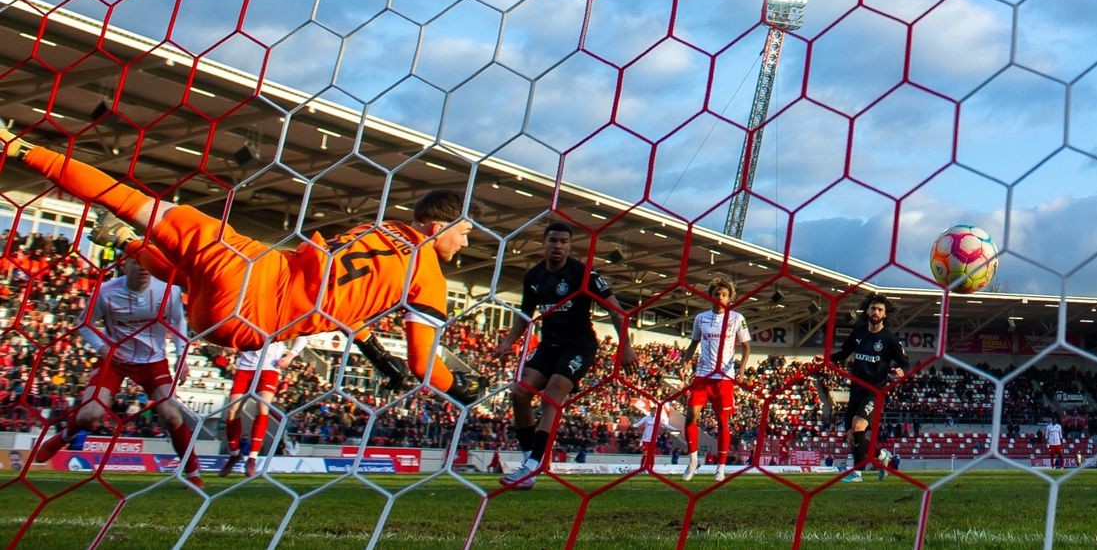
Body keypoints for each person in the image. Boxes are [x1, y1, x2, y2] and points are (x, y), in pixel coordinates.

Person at [0, 124, 484, 403]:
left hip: (248, 267)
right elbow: (424, 364)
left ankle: (19, 148)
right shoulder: (428, 276)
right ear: (436, 227)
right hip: (245, 324)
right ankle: (128, 244)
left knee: (132, 201)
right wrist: (458, 388)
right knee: (192, 277)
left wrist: (378, 356)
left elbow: (345, 301)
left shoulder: (374, 229)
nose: (465, 245)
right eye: (464, 233)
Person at [32, 256, 203, 488]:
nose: (143, 267)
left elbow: (178, 323)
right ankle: (64, 437)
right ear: (124, 266)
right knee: (89, 414)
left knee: (171, 414)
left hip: (152, 361)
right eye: (137, 262)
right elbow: (84, 324)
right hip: (115, 359)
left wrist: (182, 358)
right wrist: (103, 348)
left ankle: (192, 473)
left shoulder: (168, 290)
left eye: (147, 263)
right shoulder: (105, 292)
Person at [496, 221, 636, 490]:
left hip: (579, 345)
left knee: (551, 394)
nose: (558, 246)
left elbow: (616, 310)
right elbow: (525, 317)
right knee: (519, 392)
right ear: (544, 244)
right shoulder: (534, 277)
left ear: (570, 246)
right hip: (549, 345)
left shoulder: (584, 275)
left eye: (563, 242)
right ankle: (529, 463)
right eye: (553, 241)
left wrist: (625, 346)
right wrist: (507, 342)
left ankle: (533, 466)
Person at [827, 293, 909, 483]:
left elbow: (906, 363)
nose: (876, 312)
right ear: (867, 311)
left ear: (885, 314)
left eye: (880, 309)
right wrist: (825, 359)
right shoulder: (858, 333)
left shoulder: (889, 339)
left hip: (875, 391)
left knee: (857, 426)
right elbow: (843, 353)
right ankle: (881, 456)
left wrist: (900, 370)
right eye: (873, 308)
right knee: (853, 435)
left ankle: (857, 473)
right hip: (856, 389)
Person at [677, 276, 750, 483]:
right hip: (702, 375)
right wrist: (684, 362)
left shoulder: (737, 318)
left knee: (723, 423)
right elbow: (693, 344)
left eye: (724, 295)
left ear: (730, 298)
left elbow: (746, 346)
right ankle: (692, 462)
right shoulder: (700, 318)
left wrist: (742, 368)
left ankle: (720, 468)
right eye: (717, 293)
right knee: (690, 417)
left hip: (724, 378)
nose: (720, 297)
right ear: (710, 296)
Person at [218, 337, 307, 478]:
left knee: (262, 408)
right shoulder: (248, 316)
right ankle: (235, 454)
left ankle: (252, 459)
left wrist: (290, 356)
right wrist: (231, 345)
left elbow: (302, 336)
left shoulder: (280, 319)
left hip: (269, 367)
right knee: (232, 411)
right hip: (245, 367)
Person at [632, 400, 680, 470]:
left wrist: (675, 429)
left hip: (653, 440)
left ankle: (650, 468)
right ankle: (642, 467)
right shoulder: (646, 418)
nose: (653, 412)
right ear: (650, 411)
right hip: (646, 439)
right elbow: (638, 424)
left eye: (654, 411)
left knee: (652, 455)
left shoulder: (658, 419)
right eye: (652, 411)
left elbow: (666, 425)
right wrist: (632, 425)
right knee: (645, 454)